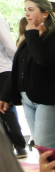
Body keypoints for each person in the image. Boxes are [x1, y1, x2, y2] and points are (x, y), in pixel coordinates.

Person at [0, 0, 55, 149]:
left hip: (50, 98)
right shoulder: (29, 39)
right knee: (41, 147)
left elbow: (43, 60)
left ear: (45, 14)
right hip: (29, 99)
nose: (27, 14)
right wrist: (6, 96)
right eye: (25, 10)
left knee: (46, 144)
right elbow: (18, 68)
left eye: (31, 10)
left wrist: (32, 34)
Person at [0, 15, 27, 157]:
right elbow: (9, 45)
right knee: (6, 111)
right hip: (4, 68)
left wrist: (16, 64)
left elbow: (10, 45)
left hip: (3, 69)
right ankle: (14, 146)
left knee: (5, 109)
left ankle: (18, 146)